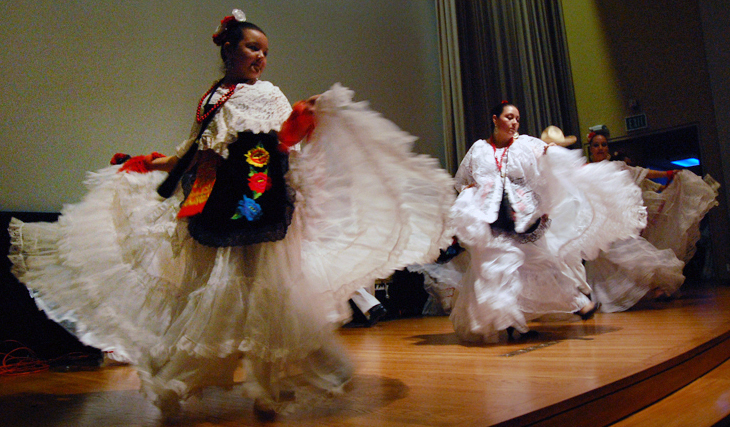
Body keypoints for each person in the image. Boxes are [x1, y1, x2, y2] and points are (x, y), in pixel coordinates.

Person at [8, 9, 455, 420]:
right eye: (252, 47)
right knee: (213, 294)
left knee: (264, 295)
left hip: (256, 209)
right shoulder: (212, 97)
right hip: (212, 207)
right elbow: (200, 148)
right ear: (228, 49)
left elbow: (283, 141)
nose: (261, 57)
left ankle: (268, 385)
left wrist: (300, 121)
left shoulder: (268, 94)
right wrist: (156, 161)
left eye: (265, 51)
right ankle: (192, 381)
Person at [444, 103, 646, 342]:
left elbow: (546, 167)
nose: (514, 122)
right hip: (490, 220)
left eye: (517, 118)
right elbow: (461, 180)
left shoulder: (526, 144)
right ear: (495, 119)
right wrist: (472, 190)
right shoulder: (478, 149)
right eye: (509, 117)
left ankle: (578, 303)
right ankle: (513, 323)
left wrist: (546, 200)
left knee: (541, 260)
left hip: (521, 215)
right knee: (498, 269)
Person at [584, 127, 719, 311]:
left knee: (629, 252)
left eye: (604, 144)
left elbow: (642, 172)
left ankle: (656, 287)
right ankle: (610, 296)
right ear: (590, 148)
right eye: (596, 145)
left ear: (607, 148)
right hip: (596, 223)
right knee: (604, 261)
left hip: (615, 222)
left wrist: (666, 174)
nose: (600, 148)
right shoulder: (584, 170)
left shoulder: (617, 167)